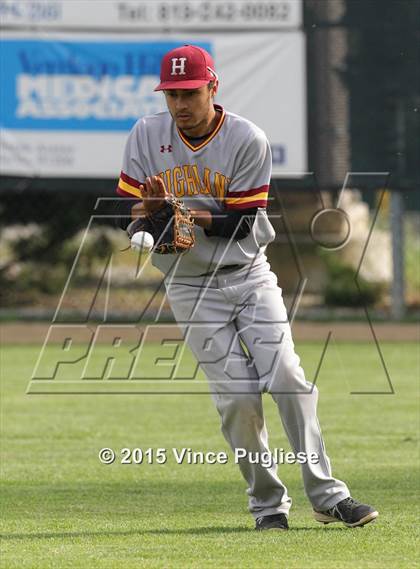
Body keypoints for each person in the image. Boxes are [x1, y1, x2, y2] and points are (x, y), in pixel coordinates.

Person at [115, 44, 378, 531]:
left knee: (289, 381)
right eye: (171, 94)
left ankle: (327, 494)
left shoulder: (246, 138)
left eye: (190, 92)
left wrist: (183, 214)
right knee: (236, 398)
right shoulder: (146, 135)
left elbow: (240, 222)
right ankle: (267, 506)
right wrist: (147, 228)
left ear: (213, 87)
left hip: (249, 275)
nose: (180, 104)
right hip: (191, 286)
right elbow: (131, 214)